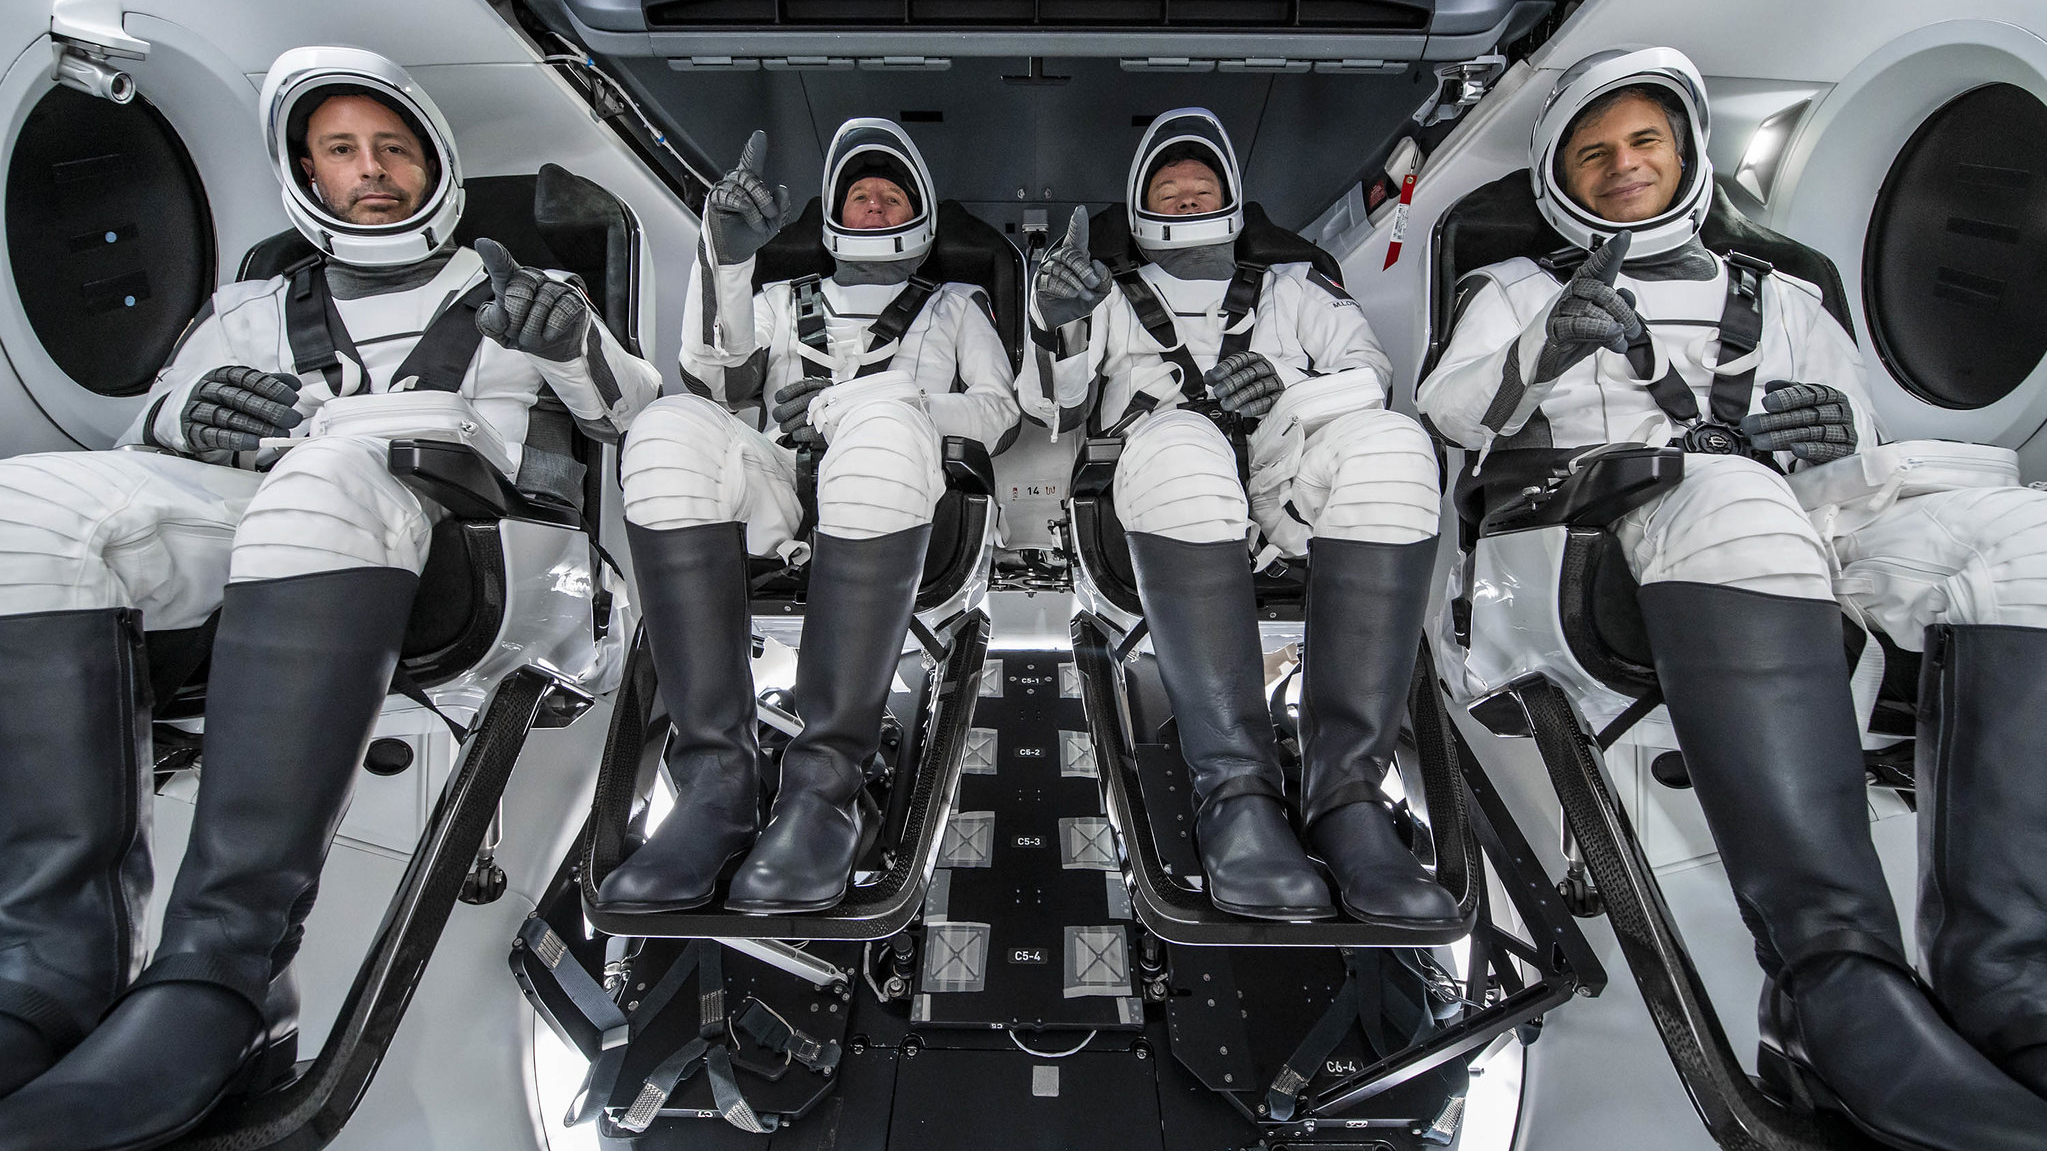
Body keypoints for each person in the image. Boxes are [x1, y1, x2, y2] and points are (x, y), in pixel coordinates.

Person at [0, 45, 656, 1149]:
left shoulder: (519, 294)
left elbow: (628, 412)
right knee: (29, 504)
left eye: (391, 147)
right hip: (276, 540)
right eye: (343, 151)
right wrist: (180, 417)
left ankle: (229, 973)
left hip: (486, 563)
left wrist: (578, 346)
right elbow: (142, 449)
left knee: (325, 472)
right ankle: (45, 966)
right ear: (305, 171)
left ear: (432, 158)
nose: (372, 171)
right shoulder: (249, 305)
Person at [1419, 45, 2047, 1149]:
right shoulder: (1511, 287)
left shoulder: (1789, 297)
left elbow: (1847, 454)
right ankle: (1828, 986)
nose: (1624, 166)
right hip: (1589, 547)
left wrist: (1833, 435)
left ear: (1686, 150)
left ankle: (2005, 982)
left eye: (1644, 141)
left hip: (1790, 527)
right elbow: (1453, 417)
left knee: (2019, 536)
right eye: (1594, 150)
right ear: (1560, 174)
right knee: (1728, 495)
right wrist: (1537, 350)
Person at [1019, 109, 1458, 927]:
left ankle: (1346, 802)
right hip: (1165, 485)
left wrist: (1280, 401)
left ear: (1231, 197)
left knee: (1397, 446)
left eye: (1200, 186)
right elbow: (1054, 409)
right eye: (1167, 188)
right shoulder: (1108, 296)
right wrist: (1058, 325)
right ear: (1140, 203)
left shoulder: (1296, 287)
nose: (1185, 197)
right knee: (1183, 437)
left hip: (1289, 487)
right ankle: (1236, 797)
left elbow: (1369, 375)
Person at [593, 119, 1018, 916]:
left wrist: (870, 400)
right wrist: (725, 259)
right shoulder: (780, 299)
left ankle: (824, 792)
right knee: (668, 427)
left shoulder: (956, 305)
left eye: (890, 194)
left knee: (886, 421)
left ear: (921, 219)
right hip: (783, 488)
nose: (872, 203)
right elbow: (721, 388)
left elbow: (996, 412)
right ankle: (714, 788)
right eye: (859, 194)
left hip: (901, 488)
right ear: (832, 216)